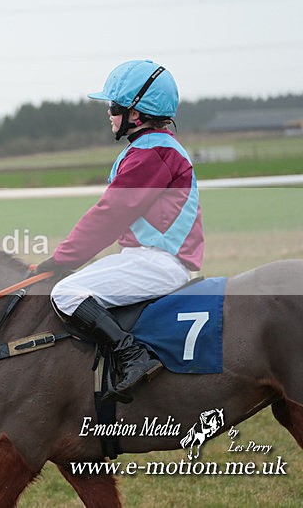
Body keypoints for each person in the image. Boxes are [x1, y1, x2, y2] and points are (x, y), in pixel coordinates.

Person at [36, 60, 204, 403]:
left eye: (114, 107)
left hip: (156, 263)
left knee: (66, 294)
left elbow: (110, 215)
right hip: (145, 258)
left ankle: (133, 356)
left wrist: (63, 260)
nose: (109, 113)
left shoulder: (153, 152)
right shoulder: (152, 148)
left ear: (135, 114)